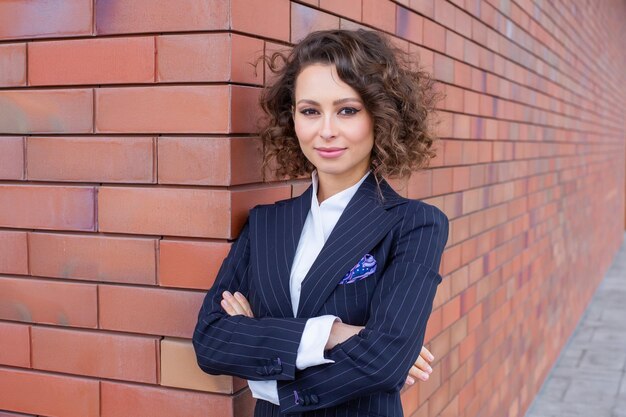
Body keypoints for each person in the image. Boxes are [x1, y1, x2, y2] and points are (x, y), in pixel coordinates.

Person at [192, 28, 449, 417]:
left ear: (380, 116)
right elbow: (211, 341)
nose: (326, 130)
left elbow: (386, 359)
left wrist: (270, 377)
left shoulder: (414, 225)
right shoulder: (265, 225)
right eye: (310, 111)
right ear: (292, 117)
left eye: (347, 110)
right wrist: (333, 333)